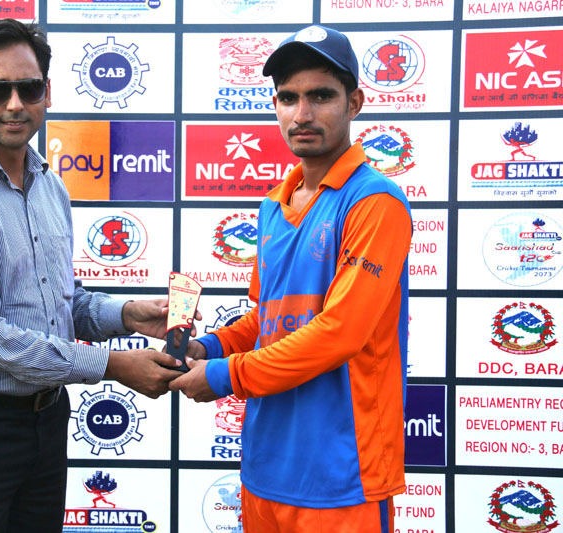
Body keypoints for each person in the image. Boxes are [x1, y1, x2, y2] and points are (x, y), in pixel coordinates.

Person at [0, 18, 184, 533]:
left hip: (46, 424)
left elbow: (60, 303)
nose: (14, 103)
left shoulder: (51, 188)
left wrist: (127, 315)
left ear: (46, 92)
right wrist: (114, 366)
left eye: (27, 88)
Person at [170, 25, 412, 533]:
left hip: (342, 476)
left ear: (355, 102)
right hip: (265, 470)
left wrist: (224, 375)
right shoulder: (272, 205)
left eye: (321, 96)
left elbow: (340, 332)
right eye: (288, 97)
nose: (302, 114)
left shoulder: (376, 202)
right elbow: (266, 318)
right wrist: (206, 350)